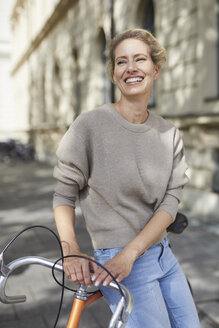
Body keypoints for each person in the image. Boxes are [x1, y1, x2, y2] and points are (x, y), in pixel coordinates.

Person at [53, 29, 200, 328]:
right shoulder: (90, 126)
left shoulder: (169, 134)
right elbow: (64, 194)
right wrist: (70, 250)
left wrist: (134, 253)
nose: (131, 68)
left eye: (140, 59)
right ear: (114, 73)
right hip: (116, 259)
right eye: (121, 62)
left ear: (155, 69)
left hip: (161, 255)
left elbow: (170, 203)